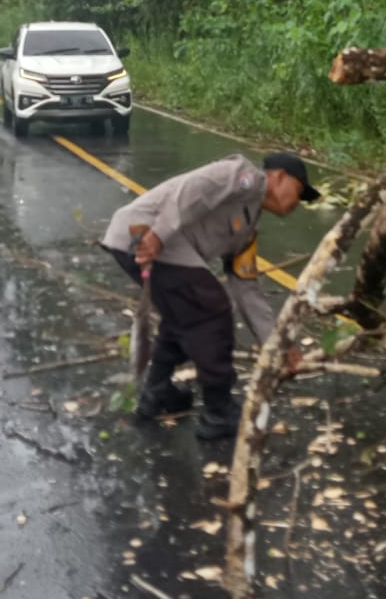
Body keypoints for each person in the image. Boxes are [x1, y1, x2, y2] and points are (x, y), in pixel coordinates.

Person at [103, 151, 319, 440]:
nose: (297, 203)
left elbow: (247, 289)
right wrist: (158, 235)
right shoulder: (243, 176)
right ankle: (218, 411)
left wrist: (278, 345)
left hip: (152, 246)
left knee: (183, 315)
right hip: (141, 234)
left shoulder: (248, 232)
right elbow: (190, 192)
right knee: (212, 309)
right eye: (299, 191)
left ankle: (157, 393)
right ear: (279, 176)